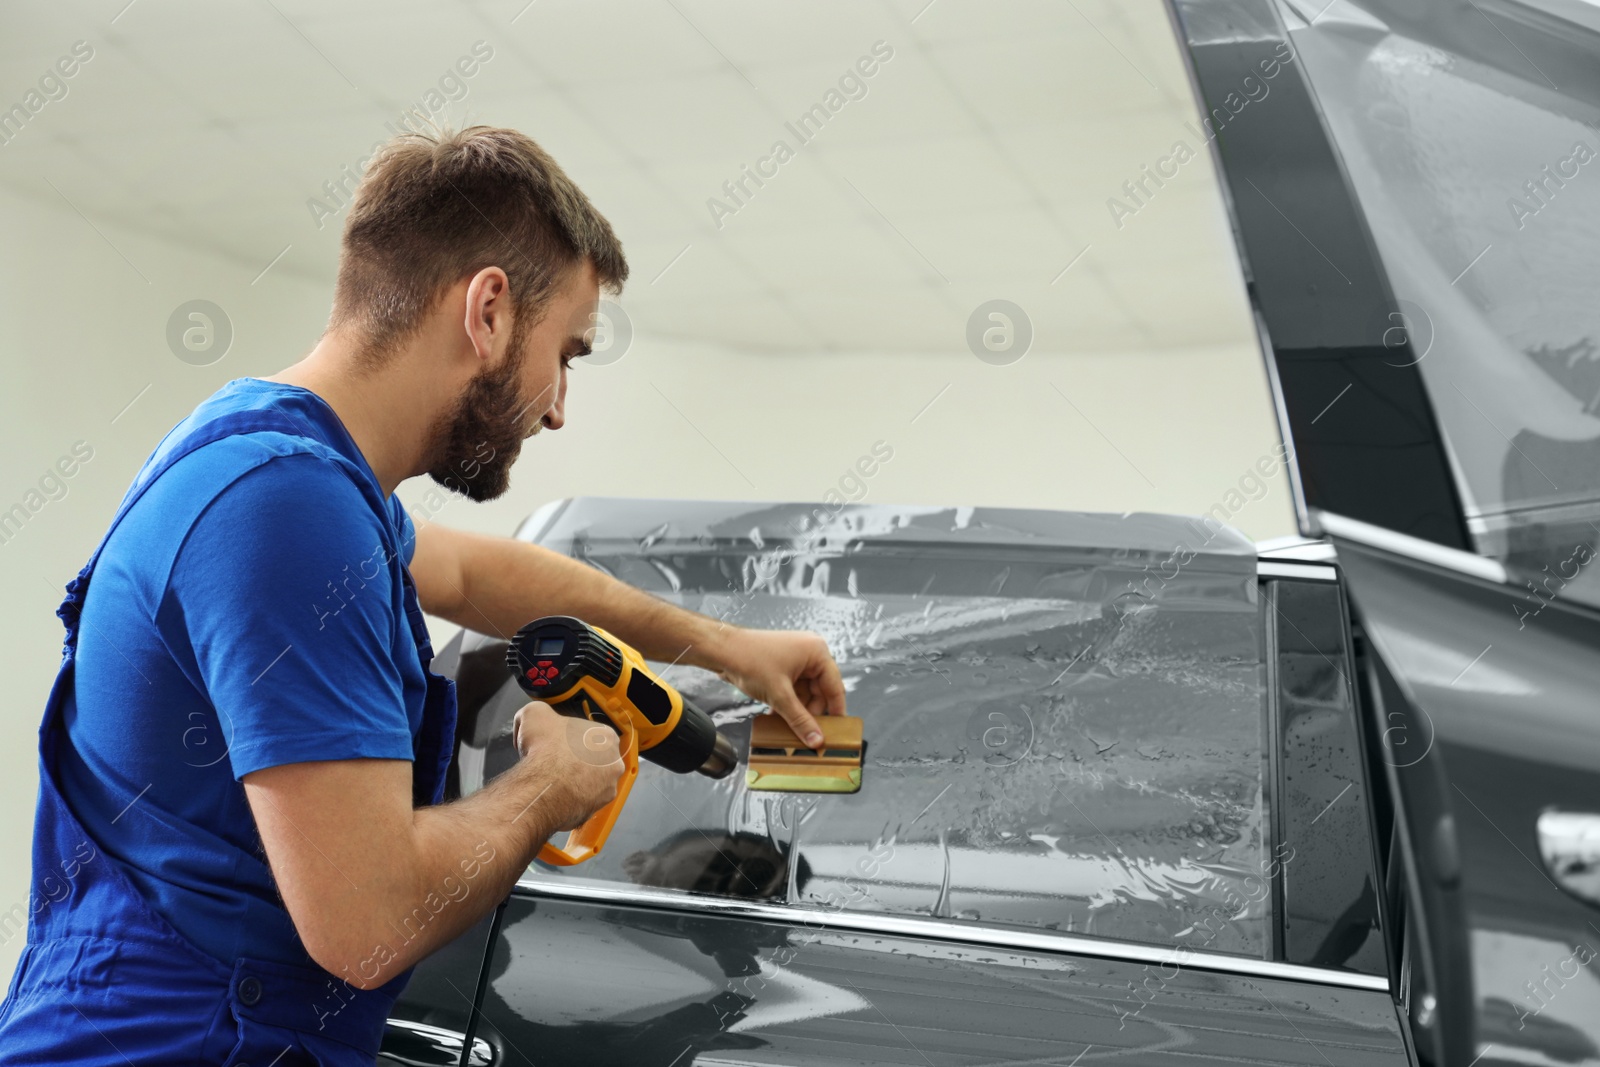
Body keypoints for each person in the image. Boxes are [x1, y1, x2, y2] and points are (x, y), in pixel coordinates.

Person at [0, 124, 846, 1066]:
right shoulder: (291, 511)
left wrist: (724, 645)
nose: (559, 404)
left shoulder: (270, 458)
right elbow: (366, 920)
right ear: (487, 310)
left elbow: (475, 576)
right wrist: (551, 786)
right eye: (564, 353)